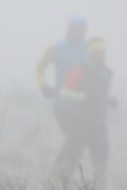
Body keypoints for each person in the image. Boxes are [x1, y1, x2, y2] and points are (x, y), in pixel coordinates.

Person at [52, 36, 116, 190]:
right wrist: (83, 97)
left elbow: (101, 94)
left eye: (102, 52)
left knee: (101, 164)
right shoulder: (79, 70)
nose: (100, 55)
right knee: (71, 161)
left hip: (99, 125)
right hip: (79, 124)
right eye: (96, 52)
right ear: (90, 53)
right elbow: (66, 92)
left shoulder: (107, 73)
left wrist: (109, 100)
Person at [36, 16, 90, 155]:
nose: (79, 33)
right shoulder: (56, 48)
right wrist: (43, 85)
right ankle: (61, 170)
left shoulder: (89, 49)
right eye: (76, 30)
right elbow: (40, 67)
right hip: (61, 103)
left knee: (76, 139)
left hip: (82, 103)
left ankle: (61, 171)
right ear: (69, 30)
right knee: (74, 138)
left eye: (82, 31)